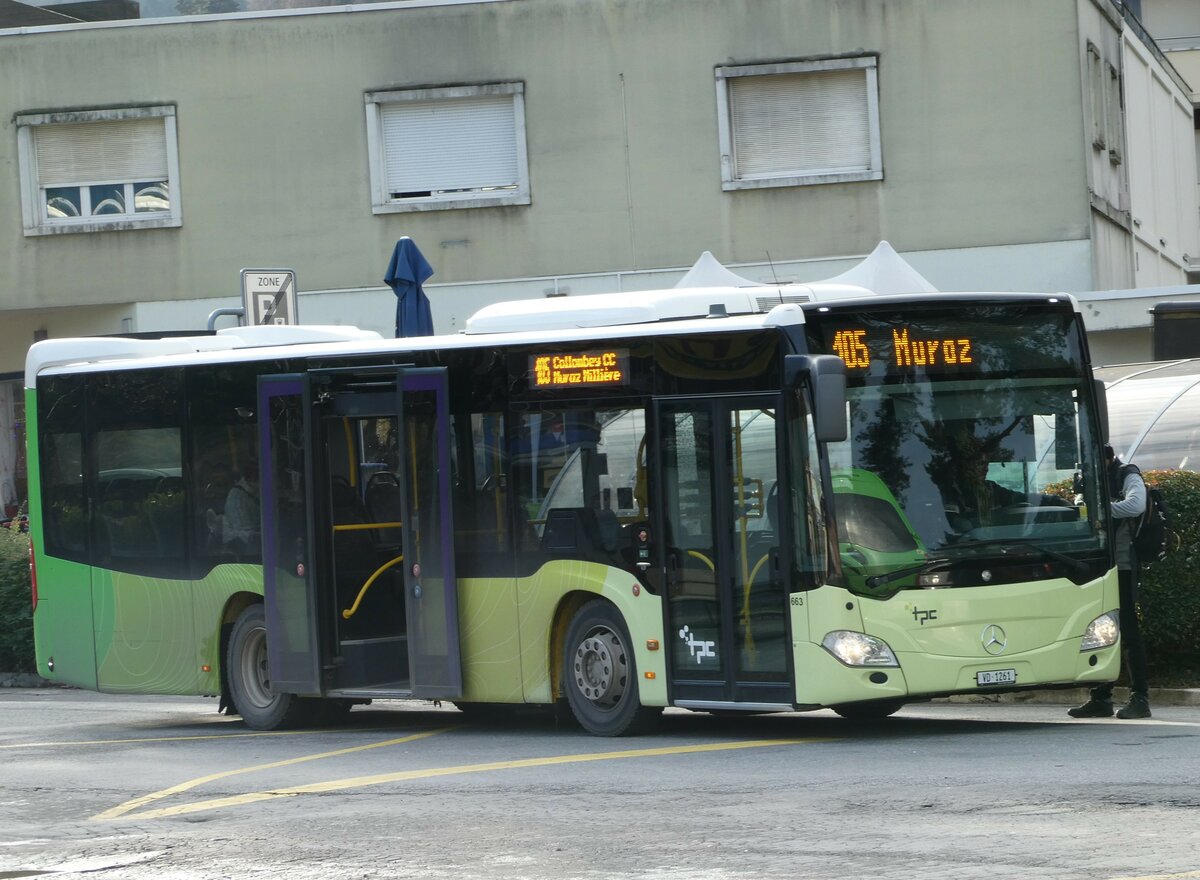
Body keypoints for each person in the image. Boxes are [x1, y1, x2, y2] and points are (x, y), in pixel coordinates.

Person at [1069, 445, 1151, 720]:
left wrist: (1101, 511)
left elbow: (1136, 505)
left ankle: (1141, 699)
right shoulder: (1087, 478)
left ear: (1106, 458)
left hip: (1124, 565)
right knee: (1098, 630)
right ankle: (1101, 698)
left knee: (1128, 631)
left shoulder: (1127, 474)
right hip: (1099, 564)